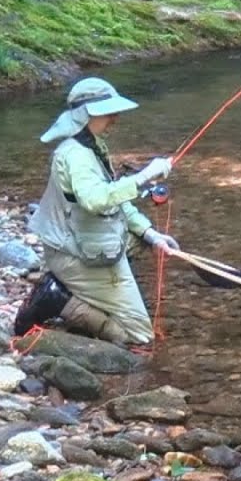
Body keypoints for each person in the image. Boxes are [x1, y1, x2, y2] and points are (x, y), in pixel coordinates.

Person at [13, 77, 180, 348]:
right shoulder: (76, 155)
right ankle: (58, 299)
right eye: (108, 112)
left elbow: (114, 199)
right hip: (71, 253)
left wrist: (152, 235)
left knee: (141, 241)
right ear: (87, 114)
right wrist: (144, 176)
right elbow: (96, 200)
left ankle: (96, 291)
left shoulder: (91, 145)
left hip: (82, 241)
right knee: (140, 336)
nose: (115, 118)